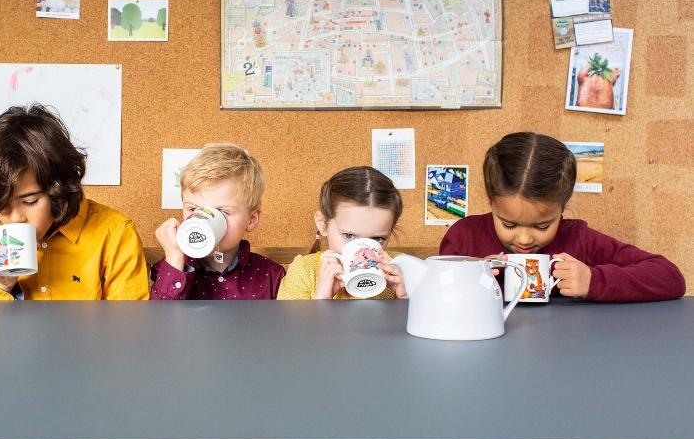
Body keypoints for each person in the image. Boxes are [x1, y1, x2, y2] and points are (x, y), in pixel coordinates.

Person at [440, 132, 685, 301]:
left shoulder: (580, 240)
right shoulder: (465, 238)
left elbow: (670, 277)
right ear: (491, 203)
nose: (524, 239)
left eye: (542, 225)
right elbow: (435, 293)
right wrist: (467, 279)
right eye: (509, 224)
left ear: (563, 207)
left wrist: (594, 280)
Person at [0, 104, 149, 300]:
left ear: (58, 188)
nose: (15, 219)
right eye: (1, 206)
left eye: (30, 201)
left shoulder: (115, 232)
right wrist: (3, 285)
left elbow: (129, 324)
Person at [151, 143, 285, 299]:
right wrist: (174, 259)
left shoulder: (271, 275)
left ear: (251, 220)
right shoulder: (170, 268)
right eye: (194, 210)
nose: (205, 221)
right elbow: (160, 321)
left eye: (222, 211)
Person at [277, 166, 406, 300]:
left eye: (377, 239)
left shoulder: (401, 269)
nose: (363, 252)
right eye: (349, 236)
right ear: (323, 224)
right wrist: (320, 299)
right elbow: (287, 321)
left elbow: (422, 318)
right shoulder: (303, 270)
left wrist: (405, 299)